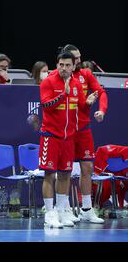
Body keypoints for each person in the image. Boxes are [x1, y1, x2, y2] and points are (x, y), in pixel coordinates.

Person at [39, 50, 98, 228]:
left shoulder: (76, 84)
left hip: (69, 138)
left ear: (74, 67)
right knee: (50, 174)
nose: (64, 68)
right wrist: (62, 95)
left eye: (68, 65)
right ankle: (49, 214)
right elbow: (46, 105)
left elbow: (79, 107)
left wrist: (87, 103)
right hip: (51, 135)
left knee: (65, 174)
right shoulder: (48, 81)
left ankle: (62, 211)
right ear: (57, 64)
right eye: (61, 65)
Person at [56, 44, 108, 224]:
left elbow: (101, 93)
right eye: (75, 58)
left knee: (87, 168)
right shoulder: (61, 75)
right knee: (65, 170)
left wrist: (101, 110)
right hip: (66, 131)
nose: (78, 61)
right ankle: (63, 210)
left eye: (79, 58)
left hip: (84, 130)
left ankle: (86, 209)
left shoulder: (86, 74)